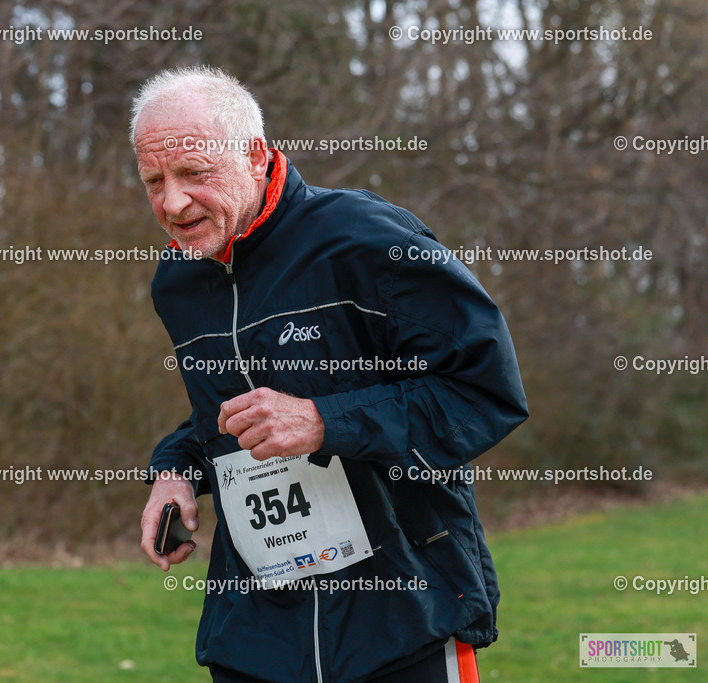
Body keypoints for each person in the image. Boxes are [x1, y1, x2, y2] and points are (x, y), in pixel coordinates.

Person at [133, 65, 528, 682]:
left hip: (400, 619)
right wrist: (176, 469)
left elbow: (481, 390)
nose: (172, 202)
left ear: (256, 155)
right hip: (259, 634)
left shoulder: (366, 242)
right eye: (153, 180)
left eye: (194, 174)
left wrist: (323, 421)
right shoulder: (179, 280)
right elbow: (228, 418)